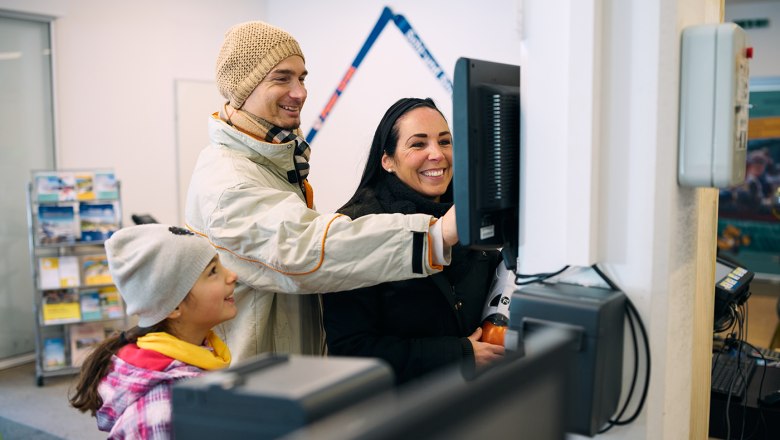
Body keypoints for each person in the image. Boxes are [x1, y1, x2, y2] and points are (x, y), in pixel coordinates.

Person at [185, 21, 458, 363]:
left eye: (302, 78)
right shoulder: (229, 182)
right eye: (282, 78)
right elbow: (303, 249)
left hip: (290, 375)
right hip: (257, 387)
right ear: (244, 89)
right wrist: (436, 235)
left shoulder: (273, 164)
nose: (299, 92)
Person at [323, 98, 505, 385]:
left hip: (471, 403)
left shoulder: (469, 212)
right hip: (399, 415)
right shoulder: (355, 227)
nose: (437, 154)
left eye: (445, 142)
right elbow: (351, 350)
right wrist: (456, 355)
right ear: (388, 161)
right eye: (418, 144)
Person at [69, 224, 238, 439]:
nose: (232, 275)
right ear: (174, 306)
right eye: (213, 271)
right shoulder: (165, 409)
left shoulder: (200, 353)